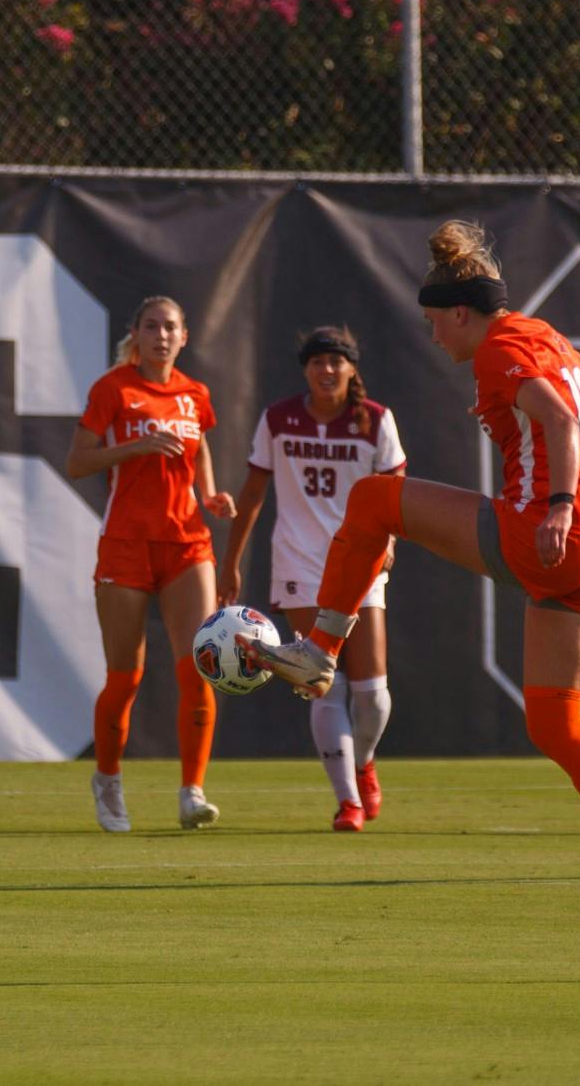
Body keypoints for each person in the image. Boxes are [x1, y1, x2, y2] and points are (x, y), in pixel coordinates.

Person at [248, 221, 580, 953]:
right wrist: (526, 417)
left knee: (370, 500)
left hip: (548, 534)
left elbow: (557, 413)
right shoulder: (538, 334)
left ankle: (318, 650)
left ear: (461, 312)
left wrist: (555, 502)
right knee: (555, 723)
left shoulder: (497, 348)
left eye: (433, 321)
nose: (431, 337)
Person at [219, 327, 406, 832]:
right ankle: (348, 800)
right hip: (300, 562)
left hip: (361, 561)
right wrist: (230, 561)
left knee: (373, 693)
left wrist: (387, 543)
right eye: (318, 361)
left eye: (336, 361)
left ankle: (362, 763)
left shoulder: (377, 421)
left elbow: (397, 493)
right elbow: (253, 494)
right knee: (323, 683)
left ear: (352, 369)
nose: (327, 370)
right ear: (305, 369)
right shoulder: (279, 420)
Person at [65, 295, 237, 833]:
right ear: (135, 336)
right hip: (126, 544)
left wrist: (208, 494)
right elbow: (77, 462)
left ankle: (192, 791)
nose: (161, 335)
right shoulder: (113, 388)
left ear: (184, 337)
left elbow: (200, 445)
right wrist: (134, 449)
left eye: (171, 327)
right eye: (151, 326)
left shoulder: (194, 393)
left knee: (199, 667)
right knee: (126, 677)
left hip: (187, 543)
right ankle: (109, 782)